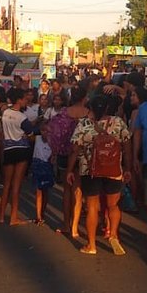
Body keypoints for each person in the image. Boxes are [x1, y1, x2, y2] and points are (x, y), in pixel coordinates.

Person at [69, 93, 131, 255]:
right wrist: (128, 168)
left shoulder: (83, 124)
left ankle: (91, 245)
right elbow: (127, 145)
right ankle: (114, 234)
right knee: (113, 205)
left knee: (92, 208)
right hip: (113, 170)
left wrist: (70, 170)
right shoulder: (118, 123)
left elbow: (75, 148)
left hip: (90, 171)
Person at [0, 88, 39, 225]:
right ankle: (14, 217)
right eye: (24, 99)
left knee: (7, 184)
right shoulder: (22, 118)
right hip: (21, 149)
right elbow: (31, 135)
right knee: (16, 185)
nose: (25, 101)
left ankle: (1, 216)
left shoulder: (5, 113)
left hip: (8, 148)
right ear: (19, 100)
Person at [54, 87, 90, 237]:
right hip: (83, 155)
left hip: (65, 154)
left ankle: (66, 224)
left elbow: (55, 135)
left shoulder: (63, 113)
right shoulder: (89, 114)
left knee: (67, 191)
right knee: (78, 191)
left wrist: (56, 152)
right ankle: (75, 226)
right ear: (84, 97)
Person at [32, 121, 56, 225]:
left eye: (48, 131)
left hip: (47, 166)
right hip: (37, 164)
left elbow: (54, 156)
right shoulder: (37, 139)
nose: (45, 133)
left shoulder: (53, 142)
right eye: (43, 130)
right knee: (38, 191)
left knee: (45, 191)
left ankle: (43, 212)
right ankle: (38, 215)